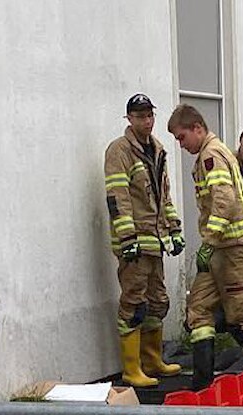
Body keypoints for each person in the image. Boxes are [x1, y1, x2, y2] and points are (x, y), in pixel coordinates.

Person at [167, 104, 243, 391]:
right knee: (199, 307)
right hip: (223, 247)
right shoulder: (211, 153)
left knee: (240, 313)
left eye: (182, 138)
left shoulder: (211, 155)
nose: (181, 145)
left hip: (233, 246)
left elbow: (224, 201)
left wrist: (209, 241)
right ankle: (202, 383)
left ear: (197, 129)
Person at [103, 93, 184, 388]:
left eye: (150, 115)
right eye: (140, 116)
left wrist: (173, 228)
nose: (146, 121)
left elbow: (164, 196)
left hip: (156, 240)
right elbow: (117, 197)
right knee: (133, 303)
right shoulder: (119, 151)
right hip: (135, 242)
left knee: (157, 301)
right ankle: (132, 368)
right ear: (129, 119)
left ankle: (152, 360)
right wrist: (127, 238)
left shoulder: (158, 149)